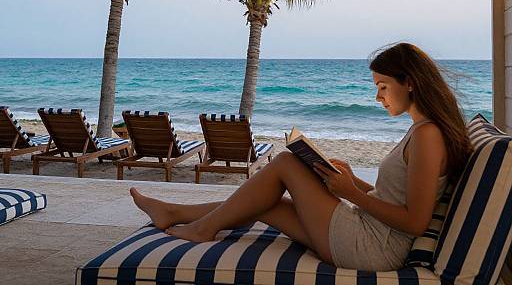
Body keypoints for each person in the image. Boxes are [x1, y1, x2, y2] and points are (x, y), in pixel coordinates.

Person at [130, 42, 473, 271]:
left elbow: (414, 221)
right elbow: (398, 200)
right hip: (373, 232)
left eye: (382, 85)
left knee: (286, 163)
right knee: (267, 203)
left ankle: (201, 229)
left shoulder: (428, 135)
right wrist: (353, 182)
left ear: (409, 82)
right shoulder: (422, 130)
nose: (377, 96)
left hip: (374, 248)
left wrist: (350, 194)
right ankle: (173, 212)